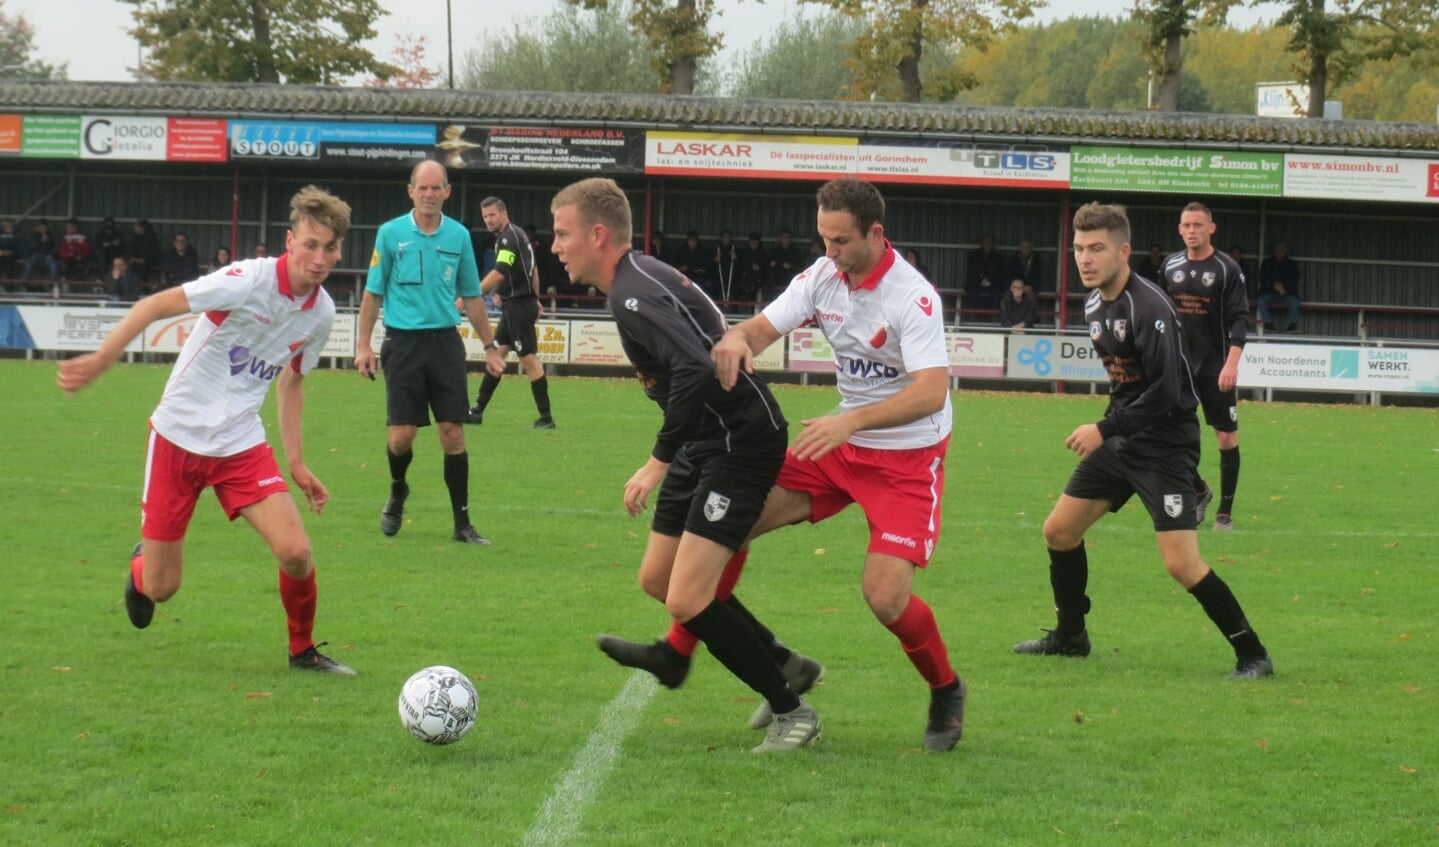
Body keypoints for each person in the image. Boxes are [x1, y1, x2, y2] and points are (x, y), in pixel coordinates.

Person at [598, 178, 967, 752]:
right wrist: (736, 342)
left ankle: (946, 689)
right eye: (823, 238)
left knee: (884, 596)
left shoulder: (911, 297)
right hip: (838, 446)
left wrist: (850, 421)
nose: (830, 252)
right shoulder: (823, 277)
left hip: (906, 458)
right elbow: (760, 328)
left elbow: (930, 393)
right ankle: (709, 654)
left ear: (875, 233)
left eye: (841, 241)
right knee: (730, 525)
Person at [550, 177, 820, 753]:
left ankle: (792, 712)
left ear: (597, 235)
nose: (555, 246)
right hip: (707, 440)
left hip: (740, 442)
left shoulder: (632, 292)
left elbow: (697, 368)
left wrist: (655, 463)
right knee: (658, 579)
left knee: (688, 598)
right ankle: (783, 662)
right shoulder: (635, 278)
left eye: (562, 234)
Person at [56, 185, 360, 675]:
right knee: (162, 587)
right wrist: (101, 359)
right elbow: (154, 306)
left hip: (241, 443)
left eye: (329, 248)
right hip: (177, 437)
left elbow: (293, 380)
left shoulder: (322, 313)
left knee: (297, 552)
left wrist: (297, 463)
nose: (319, 257)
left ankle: (302, 651)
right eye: (310, 244)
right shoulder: (246, 280)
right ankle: (140, 571)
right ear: (290, 241)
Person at [1012, 202, 1273, 680]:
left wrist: (1105, 429)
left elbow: (1172, 393)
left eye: (1097, 248)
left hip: (1164, 446)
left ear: (1123, 251)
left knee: (1182, 565)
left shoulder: (1149, 306)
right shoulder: (1093, 303)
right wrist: (1112, 429)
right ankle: (1071, 635)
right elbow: (1127, 384)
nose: (1085, 259)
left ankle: (1253, 654)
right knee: (1059, 531)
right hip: (1123, 439)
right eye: (1079, 249)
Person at [355, 159, 504, 546]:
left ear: (447, 192)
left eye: (436, 188)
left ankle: (462, 524)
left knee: (453, 433)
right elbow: (373, 293)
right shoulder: (389, 234)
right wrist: (363, 345)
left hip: (445, 344)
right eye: (422, 188)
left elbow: (472, 295)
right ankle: (398, 488)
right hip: (402, 344)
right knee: (401, 437)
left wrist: (489, 347)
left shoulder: (458, 237)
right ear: (411, 191)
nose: (429, 195)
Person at [1165, 202, 1249, 530]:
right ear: (1179, 229)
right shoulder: (1170, 267)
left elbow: (1240, 320)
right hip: (1179, 368)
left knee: (1226, 440)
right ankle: (1199, 490)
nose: (1192, 231)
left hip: (1216, 368)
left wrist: (1231, 364)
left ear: (1211, 228)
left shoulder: (1228, 269)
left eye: (1198, 225)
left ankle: (1225, 514)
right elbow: (1160, 314)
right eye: (1186, 225)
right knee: (1167, 437)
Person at [465, 196, 556, 429]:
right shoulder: (517, 235)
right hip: (515, 304)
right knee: (496, 356)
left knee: (528, 360)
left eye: (492, 215)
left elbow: (501, 271)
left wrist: (471, 295)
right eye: (485, 216)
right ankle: (477, 411)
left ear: (504, 214)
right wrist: (536, 298)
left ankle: (546, 418)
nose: (488, 220)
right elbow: (532, 270)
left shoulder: (507, 238)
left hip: (517, 305)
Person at [1257, 241, 1301, 332]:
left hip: (1286, 294)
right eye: (1278, 249)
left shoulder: (1291, 264)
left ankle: (1292, 326)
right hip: (1269, 293)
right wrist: (1275, 286)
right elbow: (1262, 278)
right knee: (1260, 300)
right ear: (1274, 250)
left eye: (1282, 249)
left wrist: (1284, 287)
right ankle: (1268, 325)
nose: (1280, 251)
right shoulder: (1267, 263)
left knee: (1295, 302)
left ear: (1286, 251)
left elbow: (1294, 279)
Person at [964, 234, 1004, 313]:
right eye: (985, 242)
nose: (987, 244)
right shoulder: (974, 255)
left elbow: (998, 272)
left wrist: (988, 279)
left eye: (989, 242)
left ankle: (988, 311)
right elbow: (972, 270)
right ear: (981, 244)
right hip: (976, 283)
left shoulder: (998, 257)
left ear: (992, 244)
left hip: (993, 283)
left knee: (998, 294)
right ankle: (981, 312)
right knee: (971, 293)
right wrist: (981, 279)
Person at [766, 227, 803, 301]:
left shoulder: (795, 251)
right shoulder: (775, 251)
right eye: (783, 237)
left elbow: (800, 266)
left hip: (790, 277)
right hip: (777, 277)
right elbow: (769, 262)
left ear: (790, 239)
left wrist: (791, 266)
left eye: (787, 237)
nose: (785, 239)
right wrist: (772, 263)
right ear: (780, 238)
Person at [126, 219, 161, 288]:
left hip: (149, 261)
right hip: (136, 261)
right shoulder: (134, 237)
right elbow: (131, 249)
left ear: (142, 228)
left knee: (142, 268)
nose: (135, 228)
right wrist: (132, 258)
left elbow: (154, 252)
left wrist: (144, 259)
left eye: (137, 227)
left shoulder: (152, 237)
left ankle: (143, 287)